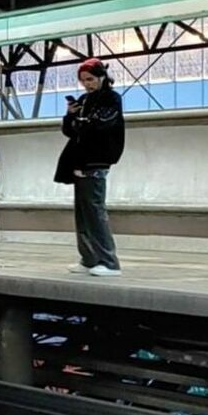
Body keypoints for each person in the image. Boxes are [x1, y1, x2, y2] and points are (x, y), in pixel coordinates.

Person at [53, 59, 125, 276]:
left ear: (102, 77)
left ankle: (109, 261)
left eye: (91, 79)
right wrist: (72, 115)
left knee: (95, 210)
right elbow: (71, 130)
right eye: (84, 80)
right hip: (80, 161)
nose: (87, 84)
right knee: (83, 213)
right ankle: (89, 258)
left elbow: (99, 125)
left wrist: (81, 122)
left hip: (97, 161)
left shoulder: (111, 98)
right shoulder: (85, 99)